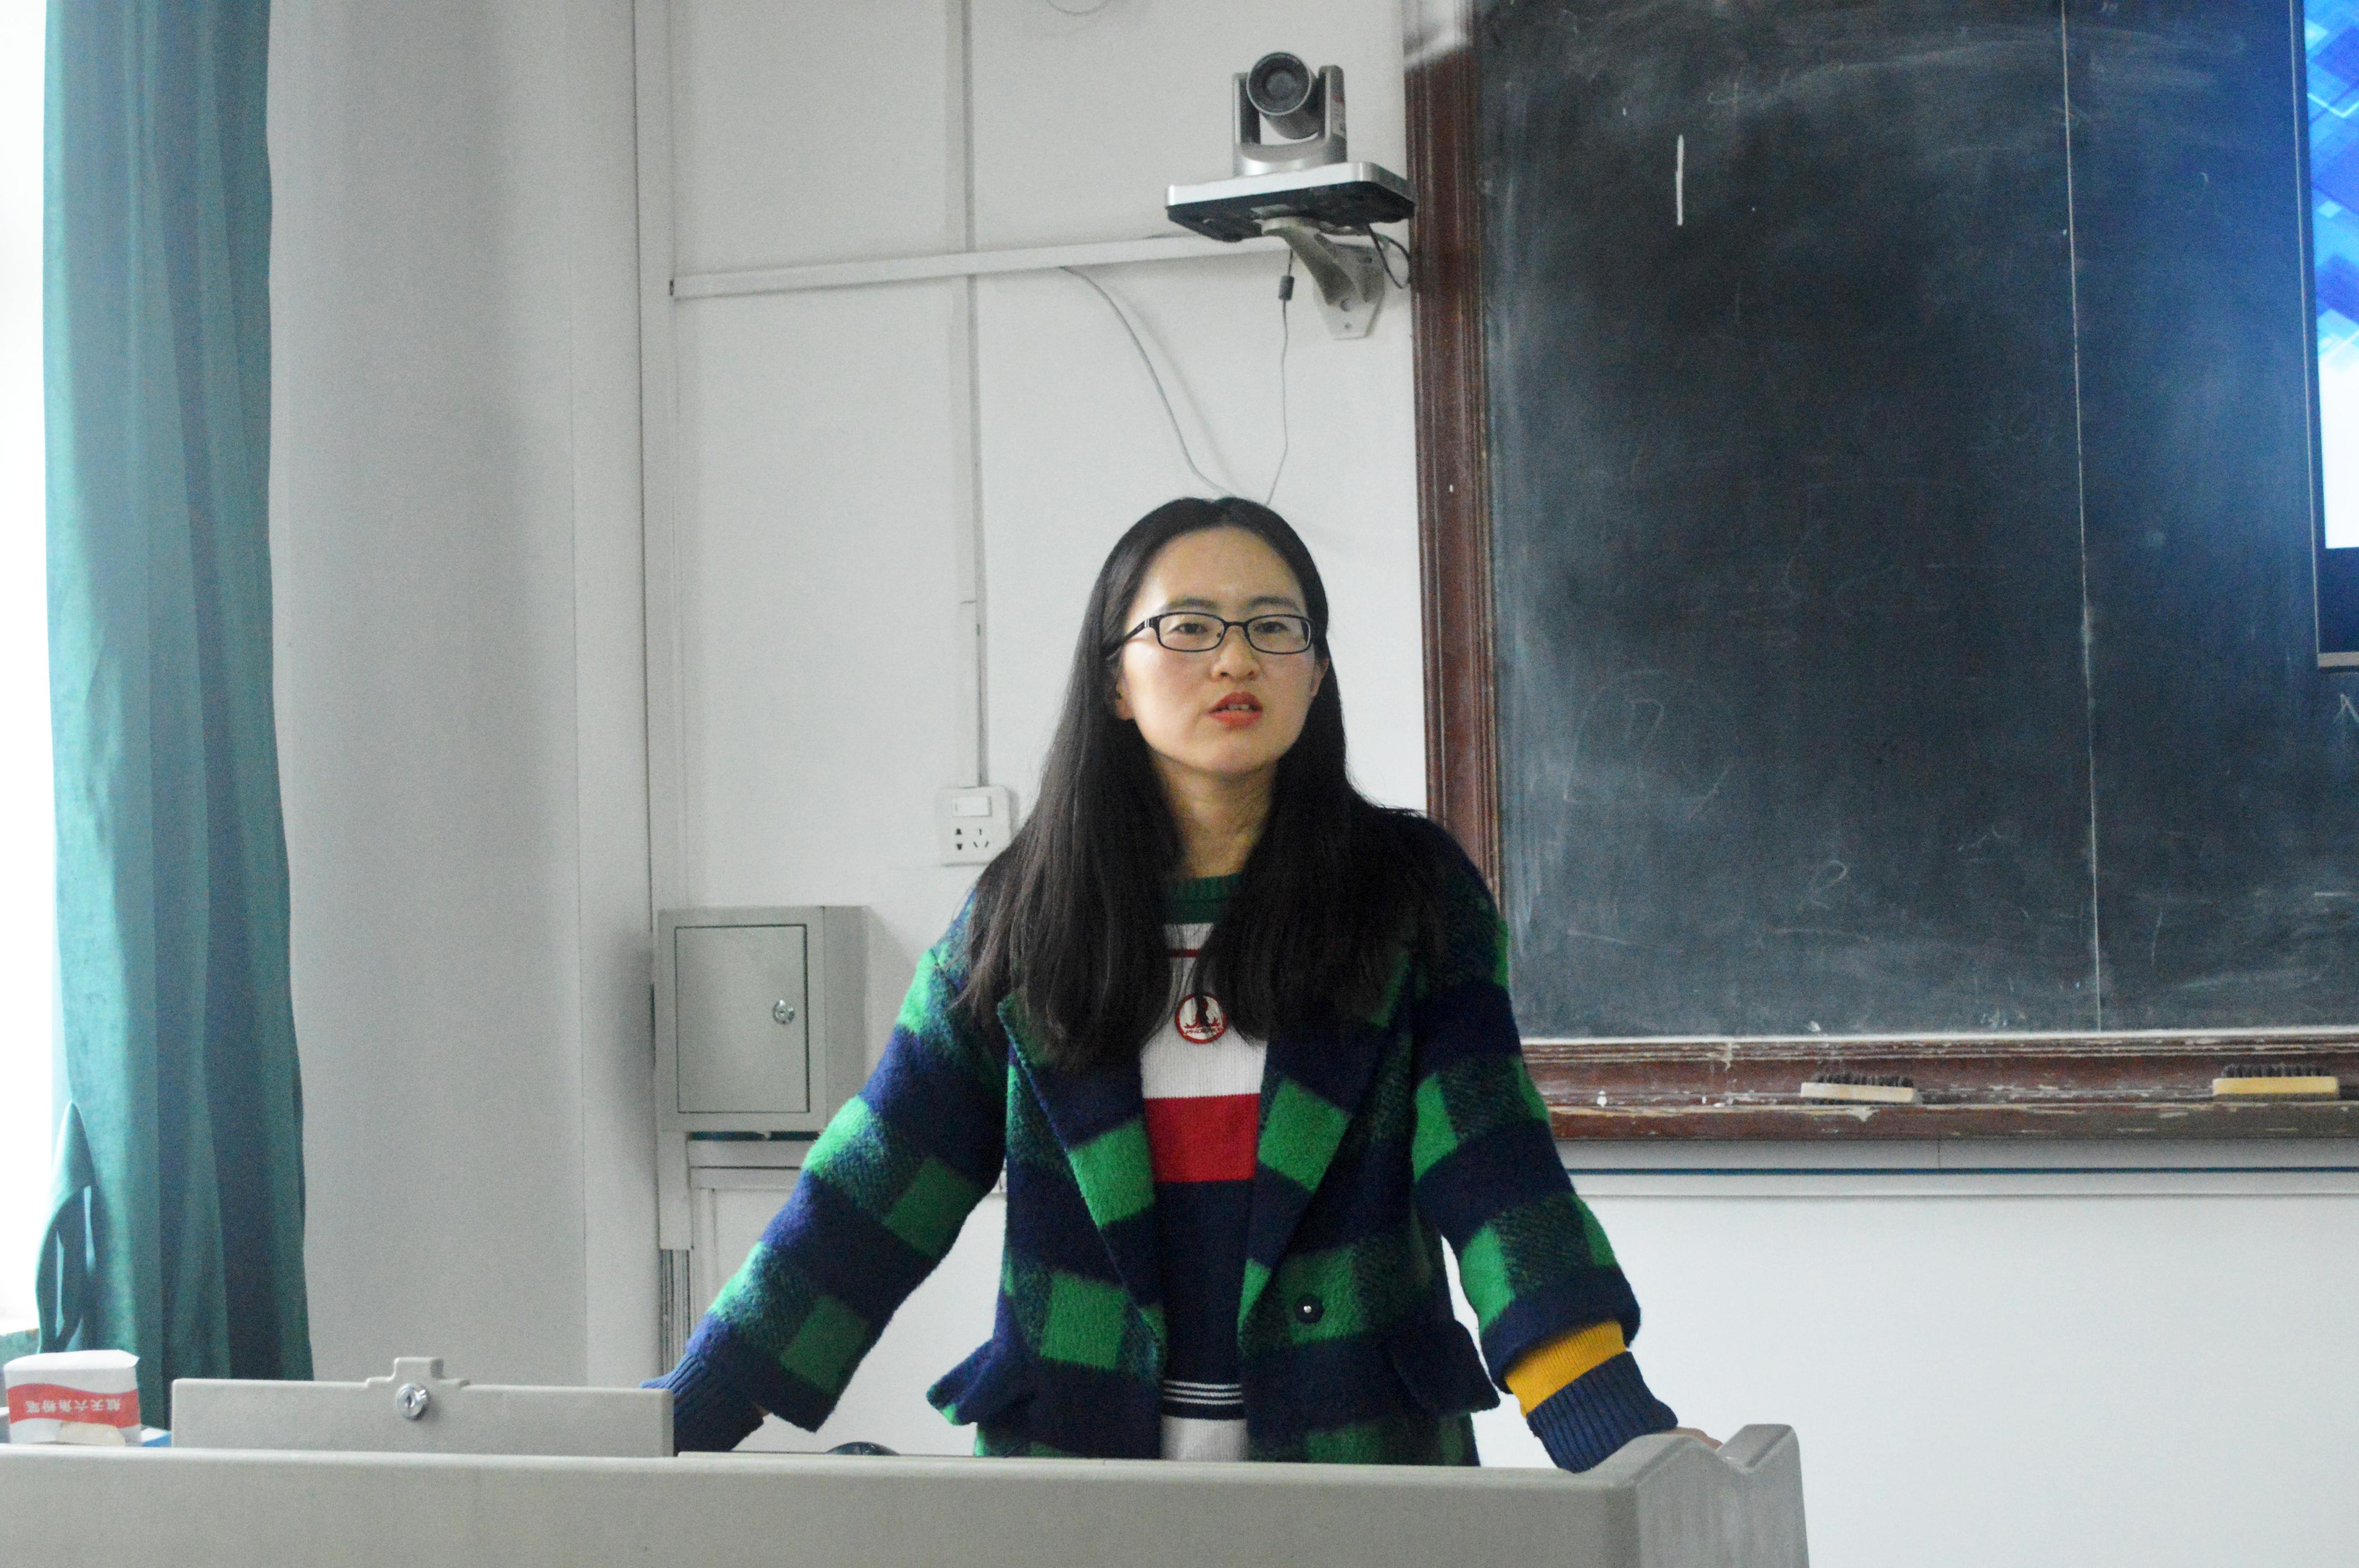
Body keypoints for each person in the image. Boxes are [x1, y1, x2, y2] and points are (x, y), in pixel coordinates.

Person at [651, 496, 1688, 1468]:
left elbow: (1493, 1165)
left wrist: (1606, 1426)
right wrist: (686, 1413)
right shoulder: (1024, 916)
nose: (1235, 657)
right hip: (1077, 1479)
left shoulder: (1409, 898)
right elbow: (878, 1186)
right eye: (1188, 627)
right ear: (1114, 678)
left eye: (1274, 627)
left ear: (1316, 673)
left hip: (1361, 1466)